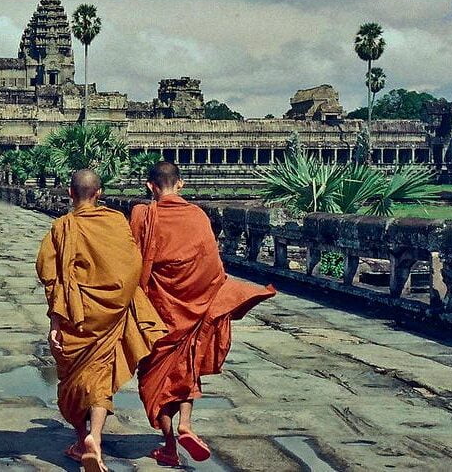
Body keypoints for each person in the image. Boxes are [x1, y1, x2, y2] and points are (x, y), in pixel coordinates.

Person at [130, 162, 276, 466]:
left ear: (150, 187)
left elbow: (133, 263)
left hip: (158, 314)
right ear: (181, 184)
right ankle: (186, 425)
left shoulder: (143, 215)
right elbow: (213, 268)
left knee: (154, 382)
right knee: (187, 370)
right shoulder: (198, 216)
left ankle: (169, 445)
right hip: (194, 310)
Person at [36, 169, 166, 472]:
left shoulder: (61, 227)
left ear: (70, 194)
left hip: (74, 315)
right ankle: (94, 436)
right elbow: (132, 266)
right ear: (99, 193)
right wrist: (121, 302)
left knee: (74, 380)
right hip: (109, 316)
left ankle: (83, 441)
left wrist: (56, 320)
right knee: (100, 376)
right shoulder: (116, 221)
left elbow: (49, 276)